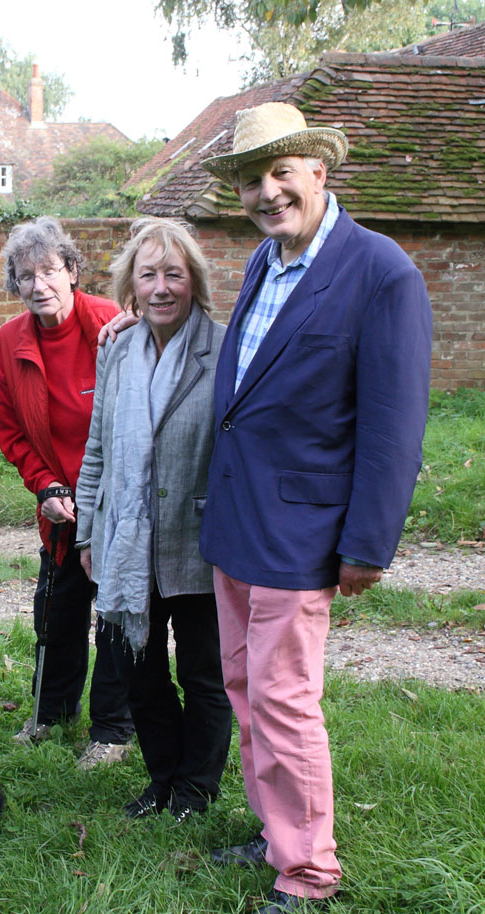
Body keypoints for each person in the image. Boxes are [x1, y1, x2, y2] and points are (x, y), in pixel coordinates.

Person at [199, 103, 432, 913]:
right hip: (237, 520)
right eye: (251, 180)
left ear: (318, 172)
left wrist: (368, 542)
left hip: (304, 531)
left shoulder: (381, 272)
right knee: (244, 686)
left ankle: (308, 873)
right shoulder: (264, 261)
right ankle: (278, 834)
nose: (267, 192)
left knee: (285, 699)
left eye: (280, 172)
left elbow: (394, 425)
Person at [75, 218, 233, 823]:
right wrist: (87, 530)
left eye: (174, 273)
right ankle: (162, 779)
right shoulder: (117, 350)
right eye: (148, 275)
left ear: (194, 280)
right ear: (131, 287)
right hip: (125, 539)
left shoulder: (224, 349)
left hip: (198, 539)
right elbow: (98, 446)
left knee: (203, 672)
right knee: (137, 670)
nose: (161, 287)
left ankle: (196, 790)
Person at [0, 217, 134, 769]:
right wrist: (45, 487)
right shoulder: (10, 343)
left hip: (117, 500)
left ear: (72, 271)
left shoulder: (111, 325)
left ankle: (113, 731)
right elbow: (12, 434)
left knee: (115, 614)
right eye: (26, 276)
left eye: (50, 271)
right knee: (56, 610)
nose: (39, 285)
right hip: (61, 503)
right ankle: (51, 713)